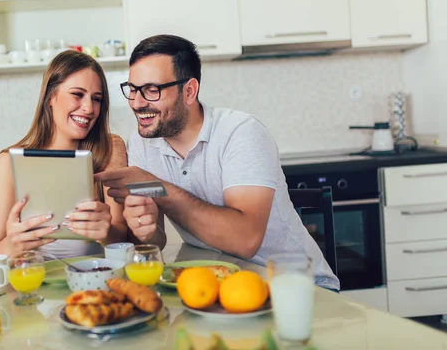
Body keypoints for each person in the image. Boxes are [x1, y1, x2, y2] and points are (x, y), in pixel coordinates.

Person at [95, 34, 340, 291]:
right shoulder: (143, 144)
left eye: (151, 90)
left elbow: (246, 240)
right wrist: (144, 231)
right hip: (221, 287)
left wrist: (158, 188)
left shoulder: (240, 132)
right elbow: (155, 240)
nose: (137, 102)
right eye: (132, 90)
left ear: (189, 91)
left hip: (298, 288)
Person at [0, 50, 128, 257]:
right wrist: (10, 246)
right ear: (51, 96)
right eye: (77, 95)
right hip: (33, 282)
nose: (89, 108)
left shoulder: (110, 148)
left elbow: (123, 238)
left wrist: (106, 232)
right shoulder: (8, 162)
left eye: (96, 99)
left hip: (92, 281)